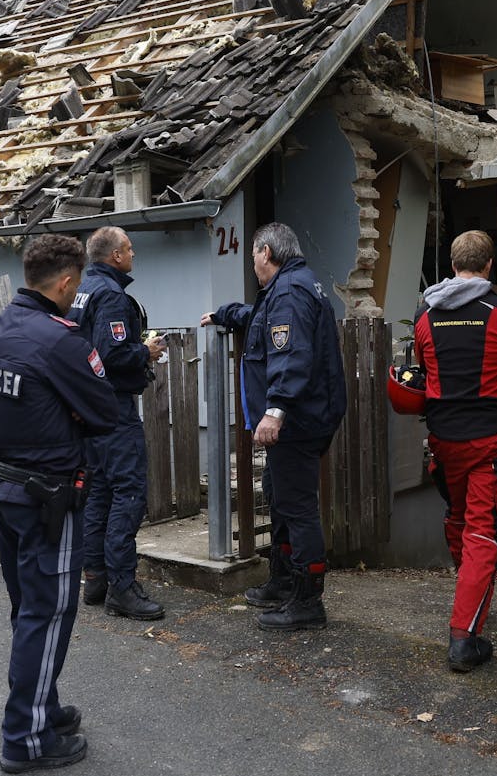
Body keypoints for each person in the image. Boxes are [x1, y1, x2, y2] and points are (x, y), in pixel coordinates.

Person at [0, 233, 117, 773]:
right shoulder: (60, 340)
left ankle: (43, 707)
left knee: (28, 609)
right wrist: (73, 411)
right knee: (48, 611)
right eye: (76, 284)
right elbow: (103, 411)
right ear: (66, 283)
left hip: (5, 490)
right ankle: (25, 738)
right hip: (47, 498)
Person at [201, 222, 346, 631]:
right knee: (280, 497)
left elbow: (292, 354)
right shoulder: (294, 287)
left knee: (297, 507)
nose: (252, 265)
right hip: (304, 418)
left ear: (266, 252)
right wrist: (224, 315)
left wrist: (275, 410)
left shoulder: (289, 292)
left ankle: (308, 599)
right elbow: (258, 319)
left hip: (298, 422)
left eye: (252, 257)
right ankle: (283, 579)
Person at [411, 231, 497, 672]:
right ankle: (464, 636)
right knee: (481, 532)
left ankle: (472, 596)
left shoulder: (426, 312)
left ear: (452, 262)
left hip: (444, 441)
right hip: (488, 443)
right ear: (490, 266)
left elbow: (419, 370)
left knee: (459, 520)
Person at [67, 226, 167, 620]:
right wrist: (145, 350)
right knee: (127, 494)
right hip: (112, 410)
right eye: (129, 249)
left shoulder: (80, 290)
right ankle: (122, 589)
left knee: (99, 494)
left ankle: (96, 579)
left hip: (87, 410)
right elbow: (111, 354)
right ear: (115, 257)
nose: (133, 253)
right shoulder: (110, 295)